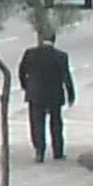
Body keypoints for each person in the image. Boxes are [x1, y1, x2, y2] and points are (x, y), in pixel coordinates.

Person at [24, 24, 78, 163]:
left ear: (41, 39)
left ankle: (39, 152)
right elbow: (66, 76)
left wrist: (27, 87)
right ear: (54, 39)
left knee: (37, 123)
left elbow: (21, 72)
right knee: (56, 123)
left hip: (35, 94)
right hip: (55, 95)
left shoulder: (30, 53)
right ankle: (58, 151)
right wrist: (71, 94)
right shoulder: (61, 56)